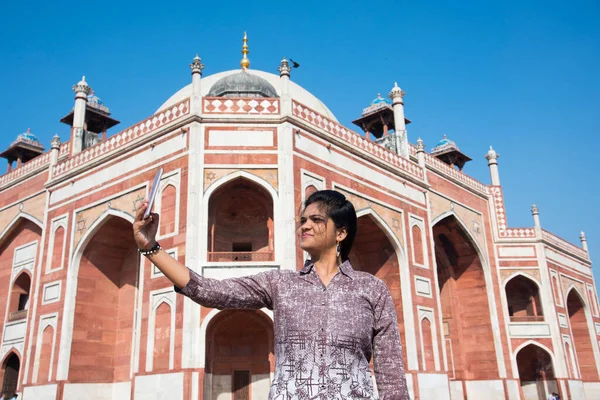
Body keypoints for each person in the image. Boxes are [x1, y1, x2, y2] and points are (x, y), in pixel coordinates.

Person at [134, 189, 409, 399]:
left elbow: (391, 373)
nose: (304, 226)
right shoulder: (282, 284)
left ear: (341, 233)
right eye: (303, 221)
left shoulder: (371, 289)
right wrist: (151, 248)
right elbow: (210, 291)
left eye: (316, 220)